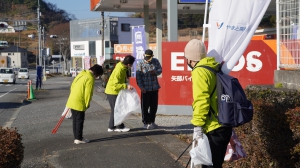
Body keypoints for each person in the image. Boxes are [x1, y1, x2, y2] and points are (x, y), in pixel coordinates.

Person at [184, 39, 232, 168]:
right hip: (224, 124)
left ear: (189, 59)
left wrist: (198, 125)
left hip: (212, 127)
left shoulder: (199, 71)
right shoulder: (215, 66)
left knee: (208, 165)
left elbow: (201, 100)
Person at [66, 64, 103, 144]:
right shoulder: (90, 78)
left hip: (72, 99)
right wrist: (86, 104)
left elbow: (72, 86)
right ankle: (79, 138)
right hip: (80, 101)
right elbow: (88, 93)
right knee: (79, 120)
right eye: (98, 75)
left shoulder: (82, 74)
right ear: (96, 73)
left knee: (75, 120)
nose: (97, 77)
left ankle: (76, 137)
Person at [105, 55, 136, 132]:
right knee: (117, 109)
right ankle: (119, 126)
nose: (131, 66)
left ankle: (112, 127)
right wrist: (125, 86)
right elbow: (115, 84)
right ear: (129, 64)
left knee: (116, 109)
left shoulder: (122, 67)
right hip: (112, 91)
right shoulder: (120, 70)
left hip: (113, 91)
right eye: (131, 64)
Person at [136, 49, 162, 129]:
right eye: (146, 57)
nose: (147, 59)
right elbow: (138, 77)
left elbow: (160, 70)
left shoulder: (155, 61)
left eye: (149, 57)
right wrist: (141, 87)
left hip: (154, 87)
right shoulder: (140, 63)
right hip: (145, 89)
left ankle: (152, 121)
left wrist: (155, 72)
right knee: (145, 107)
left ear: (152, 56)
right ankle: (146, 122)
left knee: (154, 106)